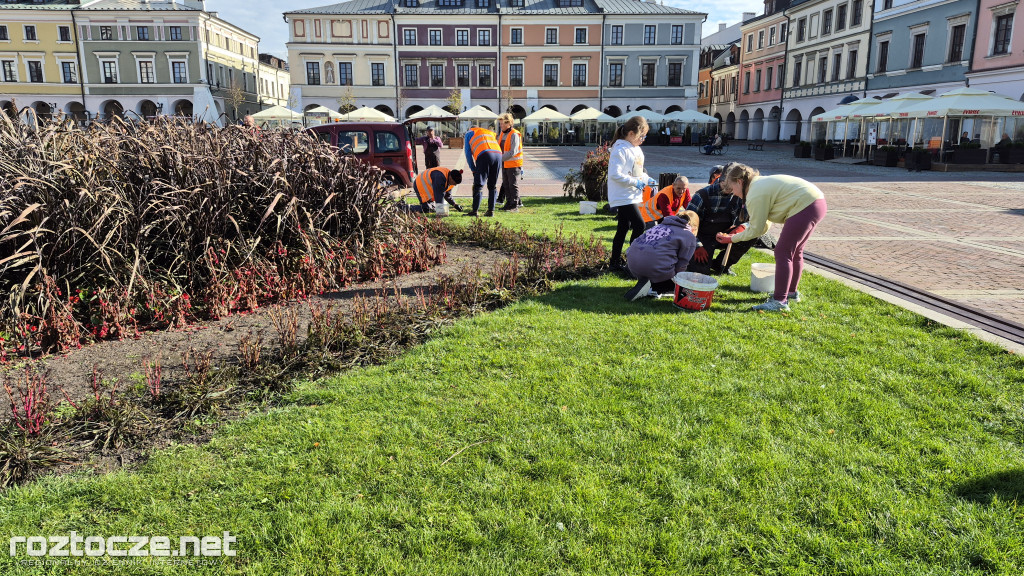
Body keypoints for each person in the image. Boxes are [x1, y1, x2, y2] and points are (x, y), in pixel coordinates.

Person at [715, 163, 827, 312]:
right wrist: (739, 235)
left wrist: (732, 239)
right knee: (795, 252)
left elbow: (756, 229)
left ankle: (779, 301)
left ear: (740, 182)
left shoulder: (755, 193)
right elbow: (763, 226)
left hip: (806, 204)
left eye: (733, 188)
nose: (734, 193)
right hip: (817, 202)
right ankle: (791, 293)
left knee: (782, 252)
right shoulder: (759, 185)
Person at [684, 162, 755, 276]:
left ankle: (721, 265)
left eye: (732, 186)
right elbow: (685, 225)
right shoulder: (702, 195)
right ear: (721, 179)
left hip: (724, 235)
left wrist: (740, 229)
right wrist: (697, 245)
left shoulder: (739, 194)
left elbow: (751, 221)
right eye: (725, 184)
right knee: (700, 273)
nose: (729, 189)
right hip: (702, 237)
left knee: (752, 235)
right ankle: (694, 259)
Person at [607, 116, 657, 271]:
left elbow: (638, 172)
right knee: (639, 225)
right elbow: (615, 174)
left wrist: (649, 180)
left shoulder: (636, 149)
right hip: (623, 196)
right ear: (630, 134)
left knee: (622, 228)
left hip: (632, 195)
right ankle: (632, 260)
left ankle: (615, 262)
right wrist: (635, 182)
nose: (643, 139)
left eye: (644, 137)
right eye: (641, 136)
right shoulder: (620, 149)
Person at [624, 211, 700, 300]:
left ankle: (650, 283)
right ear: (694, 228)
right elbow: (682, 262)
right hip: (655, 268)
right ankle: (656, 289)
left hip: (633, 266)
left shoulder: (658, 226)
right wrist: (678, 280)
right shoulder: (688, 235)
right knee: (679, 288)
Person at [463, 124, 503, 217]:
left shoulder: (469, 133)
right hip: (498, 154)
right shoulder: (488, 132)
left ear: (471, 128)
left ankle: (475, 211)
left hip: (484, 154)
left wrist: (474, 170)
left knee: (479, 185)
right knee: (492, 185)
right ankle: (491, 211)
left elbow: (468, 153)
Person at [496, 113, 523, 211]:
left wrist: (499, 158)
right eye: (500, 124)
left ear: (509, 123)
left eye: (502, 124)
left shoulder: (514, 134)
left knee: (513, 185)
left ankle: (514, 205)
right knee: (506, 184)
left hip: (513, 164)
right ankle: (508, 203)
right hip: (505, 163)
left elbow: (513, 151)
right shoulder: (502, 134)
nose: (501, 126)